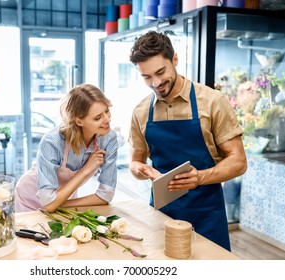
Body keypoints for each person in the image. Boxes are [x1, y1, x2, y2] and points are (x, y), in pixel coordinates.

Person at [128, 31, 247, 251]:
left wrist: (200, 177)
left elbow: (239, 161)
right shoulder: (141, 111)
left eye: (160, 72)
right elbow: (135, 162)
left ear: (174, 59)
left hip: (207, 216)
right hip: (161, 215)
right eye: (146, 77)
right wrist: (144, 170)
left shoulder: (212, 102)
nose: (155, 83)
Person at [15, 83, 118, 213]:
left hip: (63, 199)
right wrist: (86, 169)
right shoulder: (52, 142)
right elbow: (48, 202)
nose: (107, 119)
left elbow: (106, 195)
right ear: (79, 121)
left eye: (107, 110)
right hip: (29, 197)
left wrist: (59, 204)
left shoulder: (109, 139)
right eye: (98, 117)